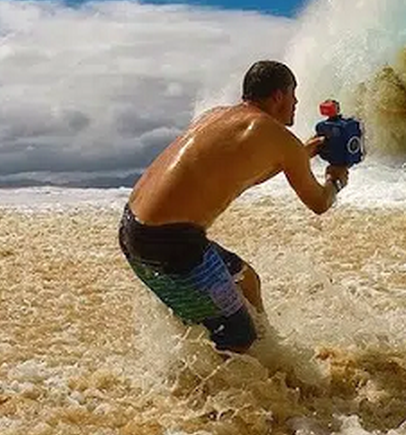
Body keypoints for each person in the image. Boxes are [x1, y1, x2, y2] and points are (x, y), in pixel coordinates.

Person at [118, 60, 349, 352]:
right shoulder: (278, 137)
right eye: (294, 94)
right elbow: (319, 203)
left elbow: (242, 173)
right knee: (239, 338)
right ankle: (234, 389)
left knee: (247, 280)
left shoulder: (215, 115)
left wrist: (302, 154)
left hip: (132, 230)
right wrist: (336, 178)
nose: (296, 103)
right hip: (171, 244)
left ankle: (269, 356)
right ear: (278, 95)